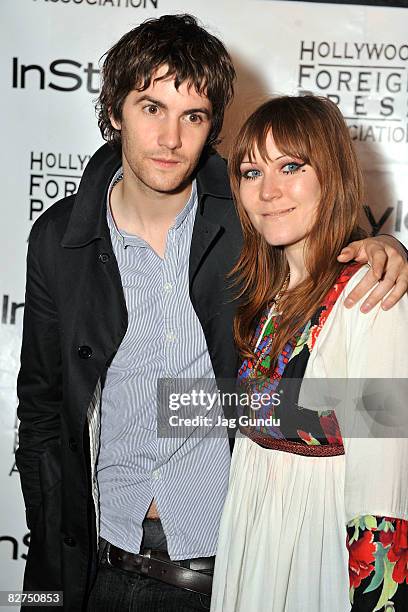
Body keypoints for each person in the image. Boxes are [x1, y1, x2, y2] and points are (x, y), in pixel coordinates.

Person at [15, 14, 407, 612]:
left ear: (211, 128)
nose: (170, 138)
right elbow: (42, 414)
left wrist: (386, 246)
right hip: (96, 564)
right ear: (115, 112)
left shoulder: (246, 221)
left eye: (192, 116)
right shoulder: (58, 239)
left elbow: (318, 242)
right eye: (151, 108)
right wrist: (43, 585)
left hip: (227, 570)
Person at [210, 95, 408, 612]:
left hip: (317, 557)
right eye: (252, 172)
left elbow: (384, 491)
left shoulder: (372, 295)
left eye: (291, 166)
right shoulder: (266, 294)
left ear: (333, 176)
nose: (268, 191)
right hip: (254, 545)